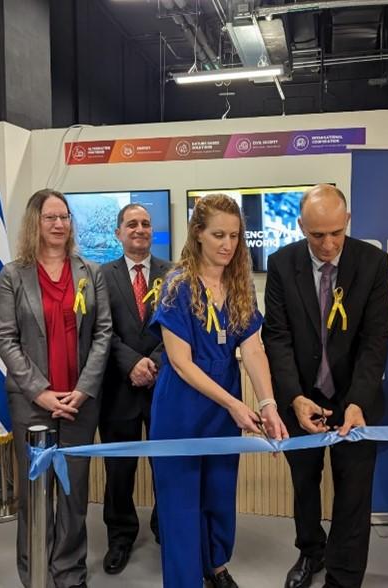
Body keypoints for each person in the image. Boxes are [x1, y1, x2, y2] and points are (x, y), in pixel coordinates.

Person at [149, 193, 288, 588]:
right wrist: (234, 404)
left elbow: (253, 348)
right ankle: (185, 579)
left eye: (234, 236)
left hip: (224, 406)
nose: (228, 245)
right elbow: (179, 362)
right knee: (180, 503)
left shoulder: (240, 283)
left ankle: (214, 565)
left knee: (218, 493)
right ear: (197, 235)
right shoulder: (177, 285)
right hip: (183, 406)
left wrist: (268, 404)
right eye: (218, 235)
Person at [263, 183, 388, 588]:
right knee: (304, 484)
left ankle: (344, 574)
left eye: (336, 232)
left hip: (356, 399)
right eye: (317, 235)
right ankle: (311, 552)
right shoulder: (281, 264)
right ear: (301, 226)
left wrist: (358, 401)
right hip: (302, 399)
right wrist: (294, 398)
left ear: (347, 221)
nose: (328, 243)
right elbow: (277, 337)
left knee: (353, 492)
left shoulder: (372, 262)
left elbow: (375, 341)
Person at [0, 189, 112, 588]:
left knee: (74, 494)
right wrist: (41, 392)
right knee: (35, 495)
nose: (60, 224)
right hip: (32, 403)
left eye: (64, 217)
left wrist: (82, 389)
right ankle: (36, 574)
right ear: (35, 223)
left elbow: (103, 334)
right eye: (50, 218)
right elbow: (5, 339)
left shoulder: (90, 272)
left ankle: (69, 571)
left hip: (80, 400)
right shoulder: (13, 275)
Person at [99, 203, 170, 573]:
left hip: (163, 389)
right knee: (119, 471)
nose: (139, 229)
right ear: (118, 233)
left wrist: (153, 362)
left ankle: (165, 529)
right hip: (118, 390)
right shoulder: (101, 276)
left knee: (166, 468)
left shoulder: (172, 273)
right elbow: (100, 332)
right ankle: (121, 536)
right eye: (131, 224)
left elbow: (177, 328)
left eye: (145, 223)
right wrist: (132, 364)